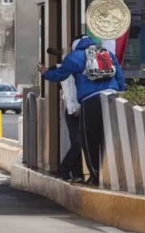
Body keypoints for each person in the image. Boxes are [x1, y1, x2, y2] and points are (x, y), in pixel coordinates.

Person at [38, 35, 125, 185]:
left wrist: (45, 72)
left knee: (89, 140)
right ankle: (112, 175)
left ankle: (95, 176)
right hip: (112, 98)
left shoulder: (75, 57)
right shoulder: (106, 53)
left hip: (91, 101)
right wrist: (121, 93)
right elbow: (120, 76)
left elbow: (59, 75)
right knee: (109, 139)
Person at [55, 36, 84, 183]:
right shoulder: (71, 62)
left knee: (79, 142)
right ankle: (64, 170)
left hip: (82, 106)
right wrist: (74, 108)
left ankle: (76, 173)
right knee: (78, 142)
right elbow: (68, 87)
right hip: (74, 108)